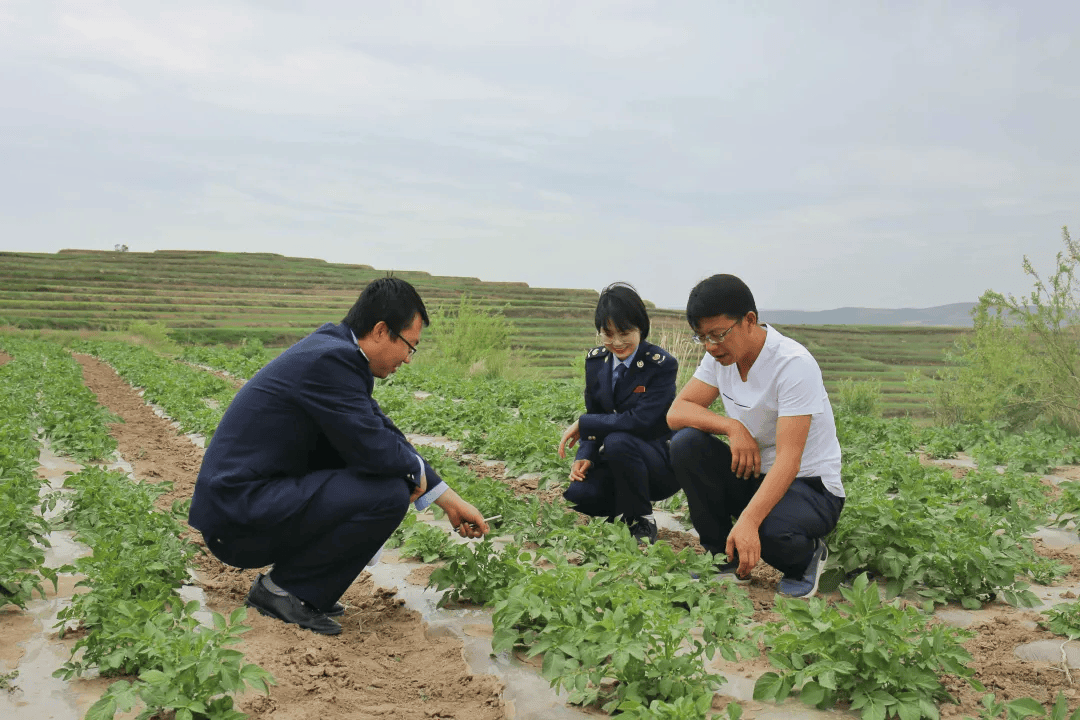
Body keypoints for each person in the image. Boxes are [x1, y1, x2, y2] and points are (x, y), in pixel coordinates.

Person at [189, 278, 489, 635]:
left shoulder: (336, 351)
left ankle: (301, 587)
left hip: (249, 502)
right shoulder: (331, 360)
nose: (408, 359)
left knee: (389, 476)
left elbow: (382, 429)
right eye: (410, 346)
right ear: (381, 330)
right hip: (238, 519)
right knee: (388, 491)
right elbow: (377, 448)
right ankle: (283, 590)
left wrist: (446, 498)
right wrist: (413, 476)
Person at [666, 274, 844, 597]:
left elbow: (790, 461)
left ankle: (806, 558)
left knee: (767, 531)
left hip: (810, 486)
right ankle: (721, 557)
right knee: (686, 445)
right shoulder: (719, 357)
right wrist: (733, 427)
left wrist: (748, 520)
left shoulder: (793, 365)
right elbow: (677, 412)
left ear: (750, 320)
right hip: (757, 474)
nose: (710, 346)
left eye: (718, 334)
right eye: (701, 337)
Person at [558, 282, 680, 544]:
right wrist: (586, 455)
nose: (617, 342)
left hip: (658, 463)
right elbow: (595, 412)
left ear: (640, 328)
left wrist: (584, 423)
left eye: (625, 332)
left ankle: (642, 519)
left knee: (617, 441)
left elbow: (640, 421)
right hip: (619, 459)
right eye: (608, 333)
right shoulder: (596, 362)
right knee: (580, 495)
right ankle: (624, 512)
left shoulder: (660, 365)